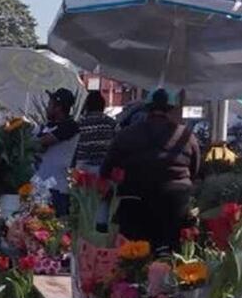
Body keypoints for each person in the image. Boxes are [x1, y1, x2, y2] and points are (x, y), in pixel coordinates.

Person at [100, 89, 200, 254]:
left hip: (135, 198)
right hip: (174, 200)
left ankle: (135, 267)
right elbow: (195, 170)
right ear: (170, 109)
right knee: (170, 249)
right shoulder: (186, 136)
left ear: (147, 109)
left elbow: (107, 168)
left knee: (134, 252)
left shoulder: (127, 134)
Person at [36, 88, 80, 215]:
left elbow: (43, 142)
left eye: (50, 104)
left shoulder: (70, 126)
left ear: (58, 108)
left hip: (57, 189)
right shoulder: (49, 125)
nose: (47, 108)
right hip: (41, 185)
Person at [71, 90, 116, 174]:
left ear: (87, 106)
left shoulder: (80, 123)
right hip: (103, 166)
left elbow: (74, 148)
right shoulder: (111, 123)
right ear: (102, 106)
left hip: (82, 166)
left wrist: (71, 166)